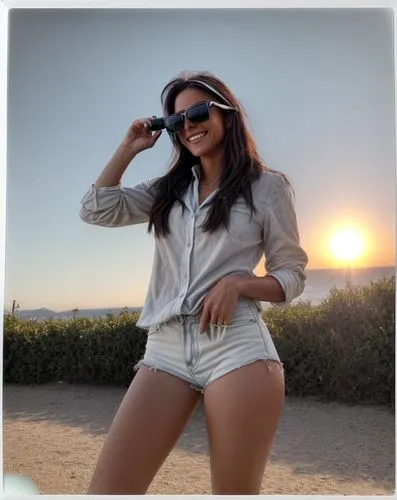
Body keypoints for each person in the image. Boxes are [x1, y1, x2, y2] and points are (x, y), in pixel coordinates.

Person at [79, 70, 308, 495]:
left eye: (198, 112)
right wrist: (129, 147)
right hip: (163, 350)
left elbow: (291, 275)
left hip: (236, 347)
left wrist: (241, 282)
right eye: (176, 121)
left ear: (227, 113)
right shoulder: (168, 190)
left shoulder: (267, 187)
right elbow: (96, 209)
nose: (188, 125)